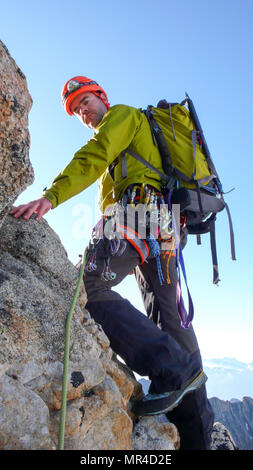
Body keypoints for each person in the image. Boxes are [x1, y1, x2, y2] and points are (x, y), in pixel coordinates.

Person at [10, 76, 214, 449]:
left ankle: (173, 370)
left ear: (101, 97)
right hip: (163, 224)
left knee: (86, 287)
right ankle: (197, 435)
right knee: (170, 321)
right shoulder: (130, 148)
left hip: (141, 214)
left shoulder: (121, 117)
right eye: (76, 111)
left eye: (84, 101)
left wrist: (50, 197)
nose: (82, 112)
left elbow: (93, 155)